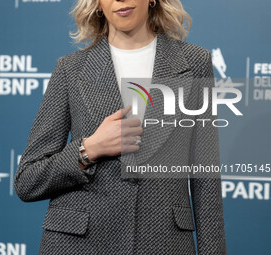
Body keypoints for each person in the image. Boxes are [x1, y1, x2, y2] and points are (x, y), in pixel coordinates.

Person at [14, 0, 227, 254]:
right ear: (98, 5)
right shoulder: (70, 69)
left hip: (162, 242)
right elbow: (27, 179)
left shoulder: (195, 62)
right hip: (79, 244)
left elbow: (206, 181)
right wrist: (88, 150)